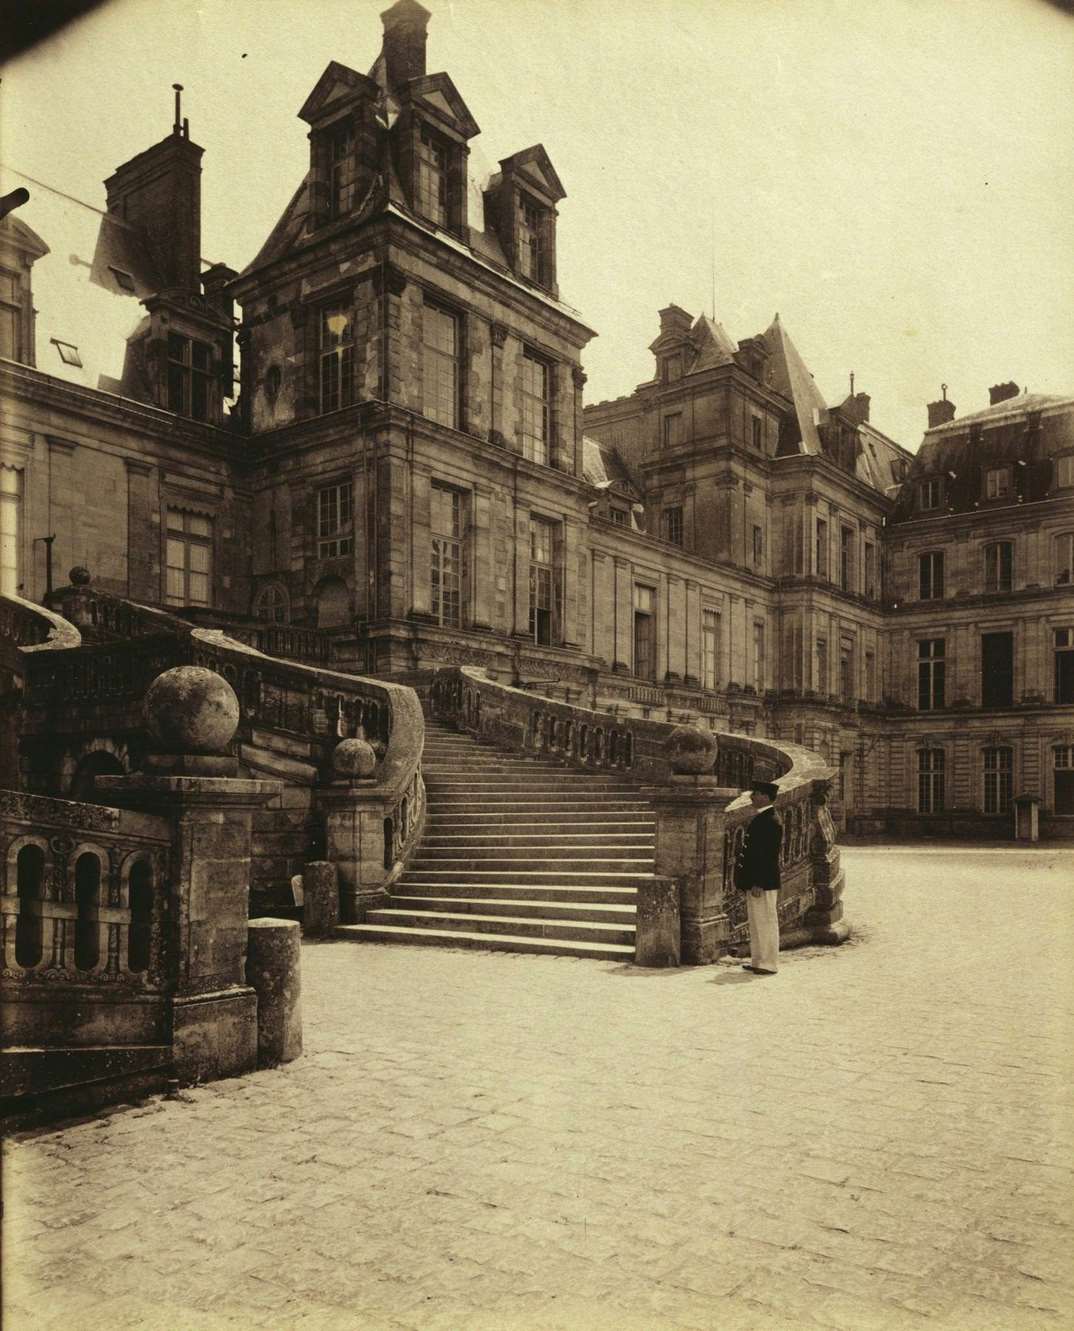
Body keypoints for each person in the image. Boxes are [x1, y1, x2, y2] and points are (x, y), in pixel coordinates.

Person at [734, 780, 783, 974]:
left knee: (766, 921)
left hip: (763, 882)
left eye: (755, 793)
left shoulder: (770, 820)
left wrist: (758, 882)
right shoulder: (763, 818)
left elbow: (768, 856)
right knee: (756, 922)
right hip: (756, 880)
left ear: (765, 796)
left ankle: (769, 963)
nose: (752, 796)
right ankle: (758, 961)